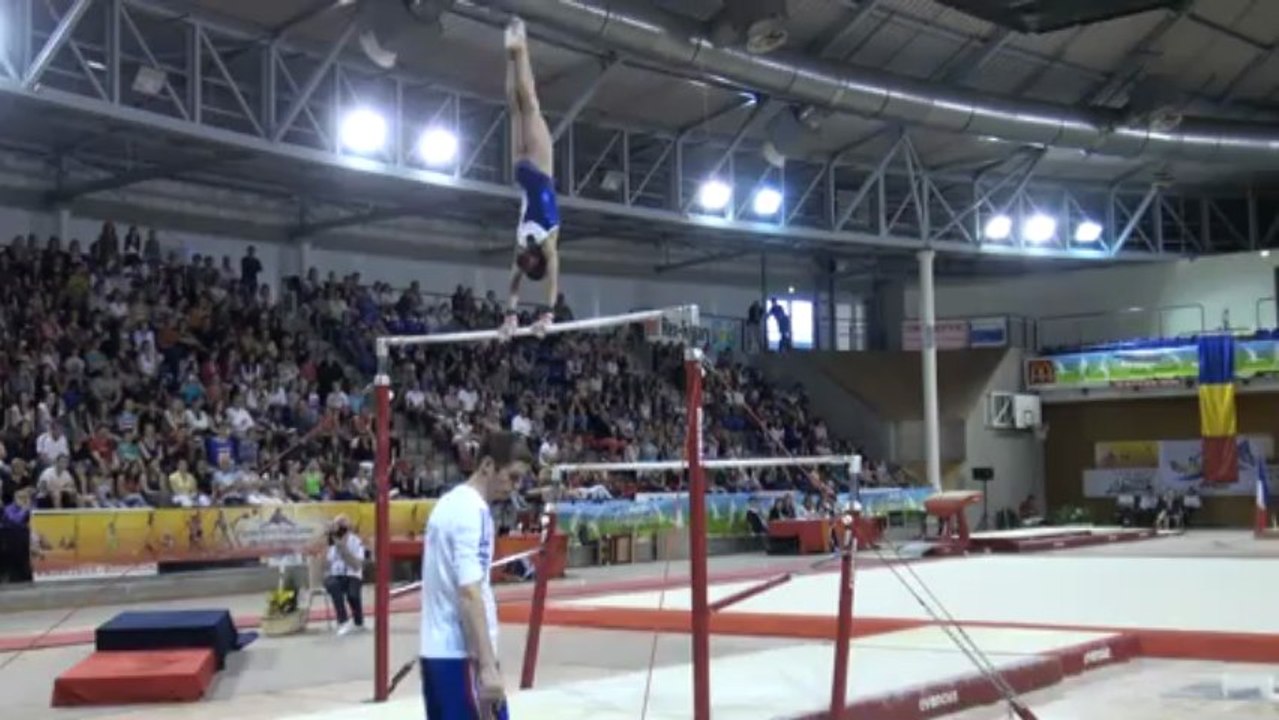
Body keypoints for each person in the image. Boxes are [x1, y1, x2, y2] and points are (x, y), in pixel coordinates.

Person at [419, 432, 529, 720]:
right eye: (513, 477)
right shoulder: (475, 513)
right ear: (488, 465)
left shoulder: (446, 504)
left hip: (437, 652)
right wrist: (487, 666)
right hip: (462, 657)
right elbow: (469, 592)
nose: (515, 487)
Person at [499, 16, 560, 341]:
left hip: (526, 170)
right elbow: (553, 279)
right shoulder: (548, 246)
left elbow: (512, 284)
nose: (520, 261)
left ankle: (514, 51)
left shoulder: (523, 247)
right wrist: (547, 314)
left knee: (517, 106)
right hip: (537, 166)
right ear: (537, 262)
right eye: (527, 263)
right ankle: (517, 49)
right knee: (528, 104)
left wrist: (510, 316)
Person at [323, 514, 366, 636]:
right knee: (333, 585)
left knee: (353, 595)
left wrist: (343, 550)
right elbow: (326, 565)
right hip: (335, 575)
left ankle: (358, 621)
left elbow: (357, 565)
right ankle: (343, 621)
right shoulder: (331, 543)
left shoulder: (356, 542)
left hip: (353, 575)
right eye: (337, 524)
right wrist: (329, 544)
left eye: (342, 524)